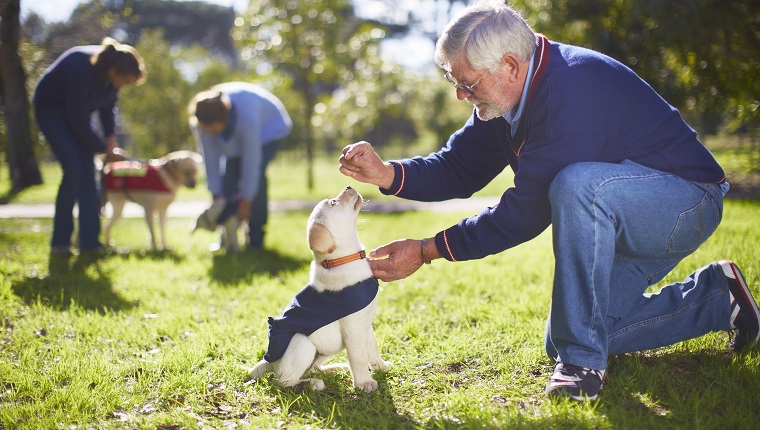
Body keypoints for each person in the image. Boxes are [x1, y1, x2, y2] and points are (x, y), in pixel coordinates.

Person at [339, 0, 759, 401]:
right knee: (565, 334)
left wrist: (428, 250)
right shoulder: (507, 95)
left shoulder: (570, 94)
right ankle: (718, 299)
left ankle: (582, 366)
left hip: (685, 202)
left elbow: (527, 212)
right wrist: (387, 173)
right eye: (455, 82)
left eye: (467, 84)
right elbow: (458, 167)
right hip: (627, 213)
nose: (460, 96)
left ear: (508, 66)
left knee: (577, 186)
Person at [33, 37, 145, 258]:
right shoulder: (80, 69)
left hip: (77, 118)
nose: (126, 85)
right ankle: (60, 244)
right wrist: (103, 148)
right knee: (74, 171)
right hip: (52, 112)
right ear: (114, 71)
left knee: (88, 174)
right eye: (127, 80)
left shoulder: (111, 79)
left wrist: (110, 139)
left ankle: (90, 244)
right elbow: (78, 121)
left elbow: (107, 109)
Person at [188, 82, 292, 250]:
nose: (211, 134)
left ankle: (255, 238)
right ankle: (227, 237)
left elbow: (252, 165)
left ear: (224, 120)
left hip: (270, 130)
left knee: (257, 181)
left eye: (214, 130)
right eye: (207, 130)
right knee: (228, 179)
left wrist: (246, 201)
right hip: (239, 137)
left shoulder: (247, 119)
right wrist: (216, 195)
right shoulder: (201, 125)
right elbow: (211, 160)